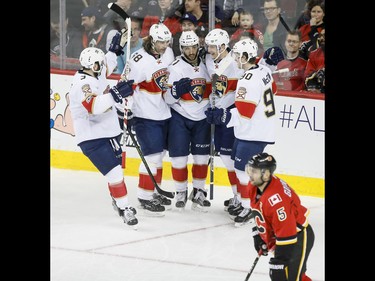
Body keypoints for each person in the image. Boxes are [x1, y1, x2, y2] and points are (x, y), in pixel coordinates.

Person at [68, 32, 138, 227]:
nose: (102, 67)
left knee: (115, 174)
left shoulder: (95, 71)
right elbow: (94, 108)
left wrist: (115, 50)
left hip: (110, 132)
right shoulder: (82, 85)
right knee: (115, 174)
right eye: (99, 64)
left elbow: (107, 63)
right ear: (93, 66)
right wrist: (116, 94)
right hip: (92, 138)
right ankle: (125, 208)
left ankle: (118, 200)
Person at [205, 38, 277, 227]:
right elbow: (274, 89)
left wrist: (222, 117)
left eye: (237, 56)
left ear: (246, 57)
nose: (235, 59)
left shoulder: (247, 80)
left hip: (252, 131)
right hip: (257, 129)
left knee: (243, 171)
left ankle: (249, 207)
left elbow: (245, 113)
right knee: (241, 169)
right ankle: (246, 202)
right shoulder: (263, 70)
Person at [125, 23, 175, 215]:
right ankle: (144, 196)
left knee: (159, 155)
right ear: (152, 40)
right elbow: (126, 85)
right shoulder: (138, 60)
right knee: (151, 156)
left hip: (163, 111)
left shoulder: (168, 53)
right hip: (144, 115)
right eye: (161, 42)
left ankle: (154, 190)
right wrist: (127, 109)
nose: (164, 45)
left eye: (166, 42)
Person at [246, 152, 315, 281]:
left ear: (266, 174)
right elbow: (258, 210)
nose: (250, 174)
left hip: (296, 238)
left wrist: (279, 262)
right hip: (283, 237)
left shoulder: (277, 201)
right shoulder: (255, 186)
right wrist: (258, 234)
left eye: (254, 171)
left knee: (290, 279)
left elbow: (287, 234)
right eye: (249, 169)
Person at [164, 30, 211, 211]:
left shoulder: (208, 64)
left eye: (193, 47)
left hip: (203, 119)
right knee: (179, 159)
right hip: (180, 117)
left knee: (201, 158)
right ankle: (181, 191)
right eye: (186, 47)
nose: (191, 51)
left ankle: (199, 191)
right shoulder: (174, 67)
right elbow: (167, 99)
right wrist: (175, 91)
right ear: (181, 48)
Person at [204, 28, 244, 215]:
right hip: (217, 115)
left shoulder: (236, 63)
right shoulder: (210, 61)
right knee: (227, 160)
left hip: (231, 116)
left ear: (222, 46)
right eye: (209, 45)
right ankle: (237, 196)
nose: (210, 49)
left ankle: (241, 198)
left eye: (213, 46)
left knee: (231, 161)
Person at [304, 28, 324, 93]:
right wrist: (316, 75)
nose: (322, 38)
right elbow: (307, 76)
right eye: (321, 35)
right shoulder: (314, 54)